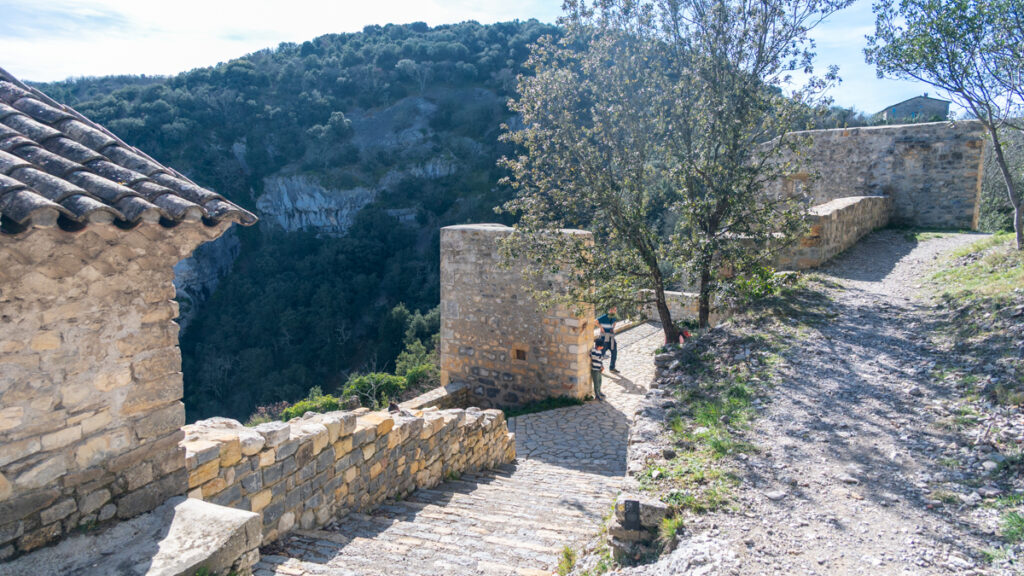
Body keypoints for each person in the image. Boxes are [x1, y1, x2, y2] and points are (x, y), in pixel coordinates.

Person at [597, 306, 619, 373]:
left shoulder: (614, 317)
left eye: (615, 310)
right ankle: (599, 367)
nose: (614, 311)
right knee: (601, 353)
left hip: (611, 338)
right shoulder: (604, 316)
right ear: (610, 310)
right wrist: (601, 327)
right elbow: (595, 321)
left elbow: (615, 322)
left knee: (614, 352)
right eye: (613, 310)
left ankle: (612, 368)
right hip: (604, 338)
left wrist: (613, 327)